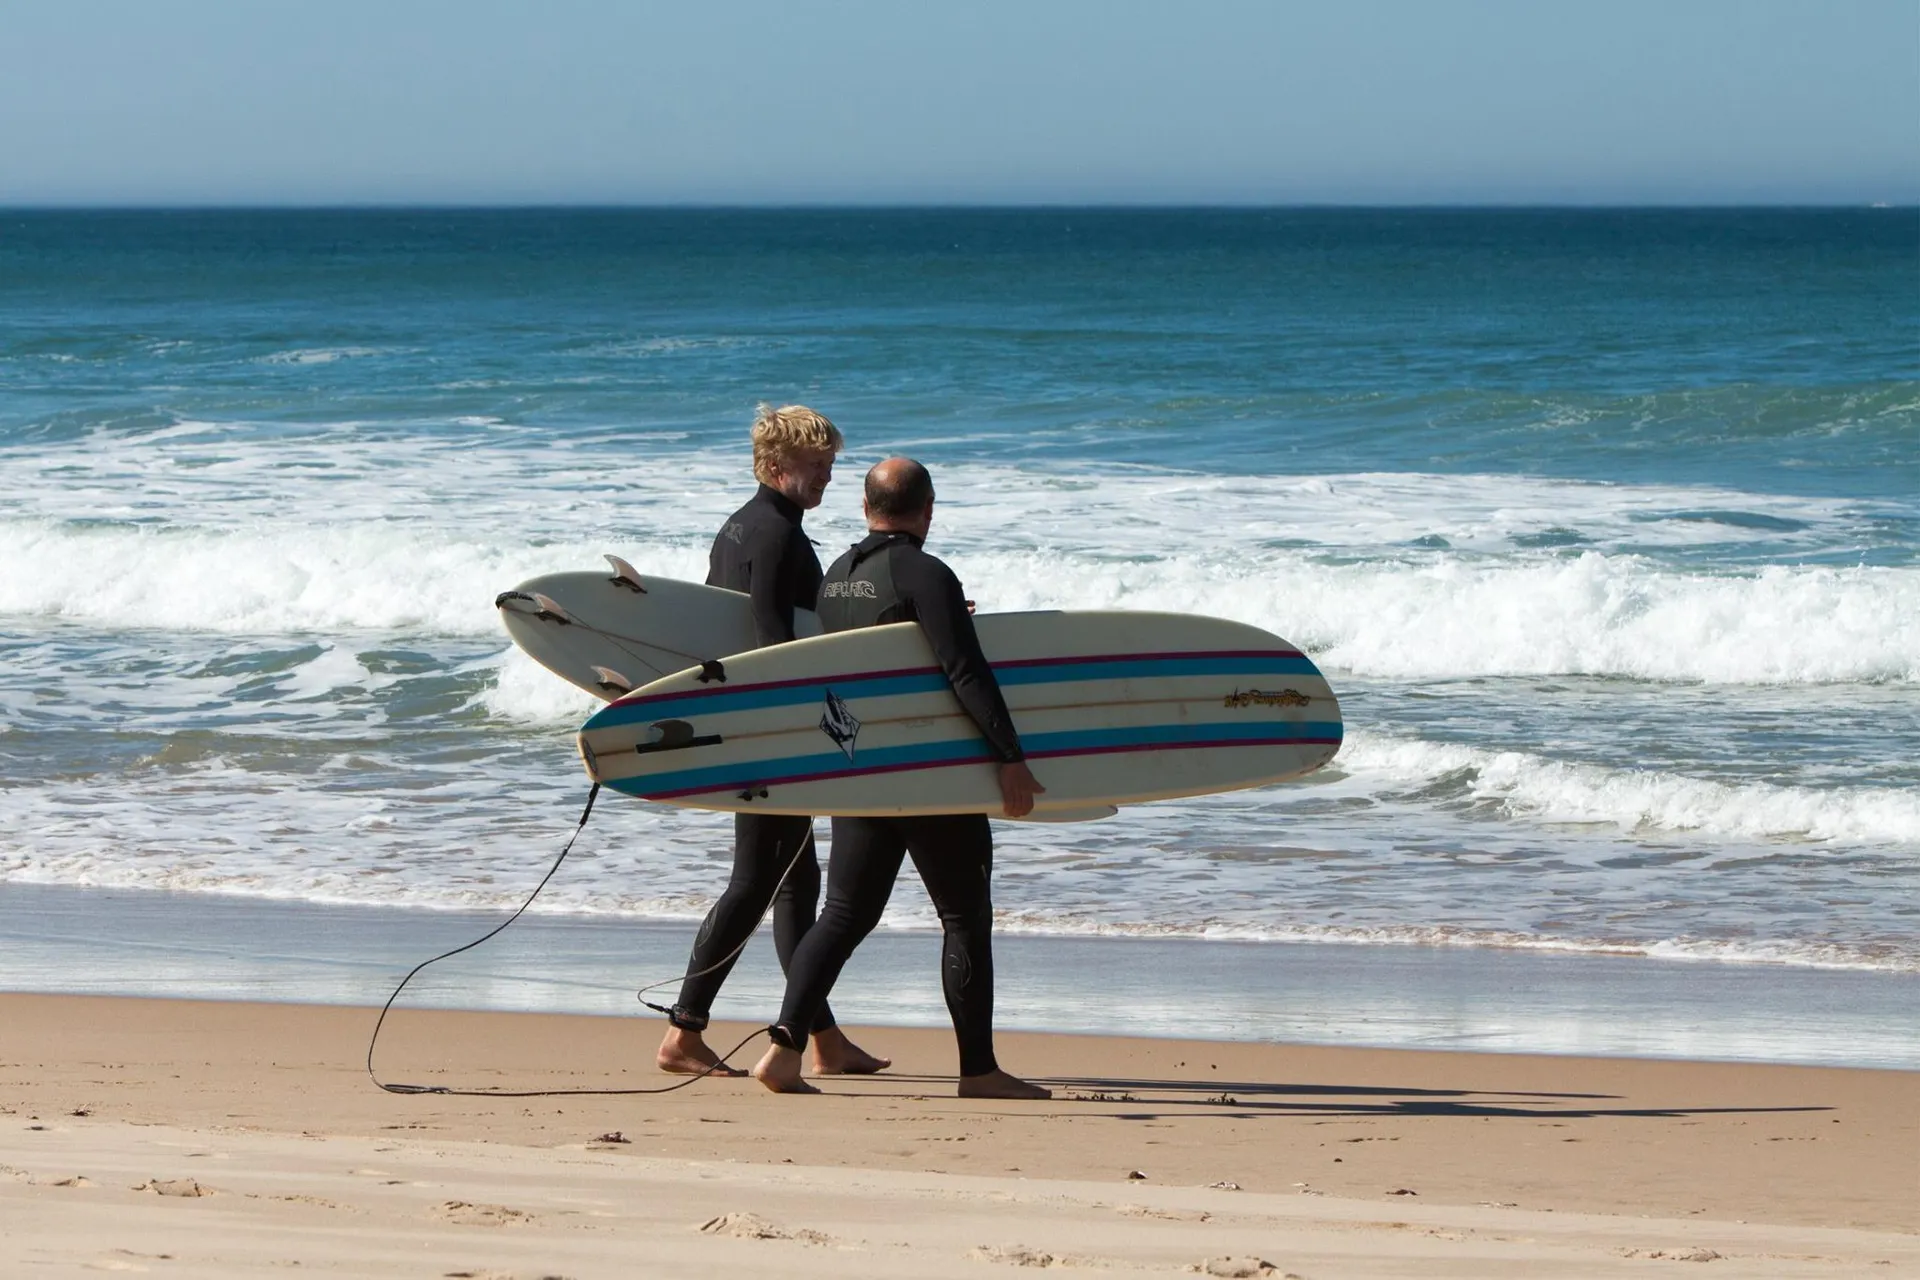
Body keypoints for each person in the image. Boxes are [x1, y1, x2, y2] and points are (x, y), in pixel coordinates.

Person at [751, 457, 1051, 1100]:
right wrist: (1010, 755)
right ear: (929, 511)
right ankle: (979, 1072)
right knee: (964, 916)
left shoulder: (837, 576)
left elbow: (878, 650)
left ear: (865, 508)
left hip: (861, 770)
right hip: (928, 773)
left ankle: (784, 1051)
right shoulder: (927, 572)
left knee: (843, 915)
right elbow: (964, 672)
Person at [655, 405, 890, 1079]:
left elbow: (716, 623)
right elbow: (769, 640)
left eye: (831, 467)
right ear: (777, 465)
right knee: (759, 881)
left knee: (793, 884)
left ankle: (823, 1038)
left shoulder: (741, 526)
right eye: (816, 468)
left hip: (746, 723)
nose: (826, 479)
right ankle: (684, 1032)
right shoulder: (778, 535)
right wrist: (797, 731)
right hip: (767, 731)